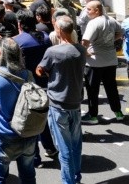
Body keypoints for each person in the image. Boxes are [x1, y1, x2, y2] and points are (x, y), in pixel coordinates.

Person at [0, 38, 37, 184]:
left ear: (0, 53)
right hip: (27, 132)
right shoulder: (28, 75)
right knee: (28, 175)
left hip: (3, 136)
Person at [36, 16, 86, 184]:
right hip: (75, 102)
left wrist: (49, 73)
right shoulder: (80, 50)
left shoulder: (53, 51)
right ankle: (76, 176)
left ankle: (68, 181)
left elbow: (40, 70)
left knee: (64, 147)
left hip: (58, 104)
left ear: (58, 30)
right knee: (75, 143)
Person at [13, 9, 56, 163]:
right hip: (45, 83)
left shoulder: (17, 41)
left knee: (29, 122)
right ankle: (49, 147)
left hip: (27, 86)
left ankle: (34, 155)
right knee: (42, 118)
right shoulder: (45, 37)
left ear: (20, 24)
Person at [81, 0, 124, 124]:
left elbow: (85, 41)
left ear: (97, 10)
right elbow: (121, 32)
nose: (86, 11)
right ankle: (118, 112)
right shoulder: (111, 20)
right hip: (110, 60)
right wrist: (109, 40)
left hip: (94, 62)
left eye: (89, 9)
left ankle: (93, 116)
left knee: (92, 90)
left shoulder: (93, 23)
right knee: (112, 88)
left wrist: (85, 52)